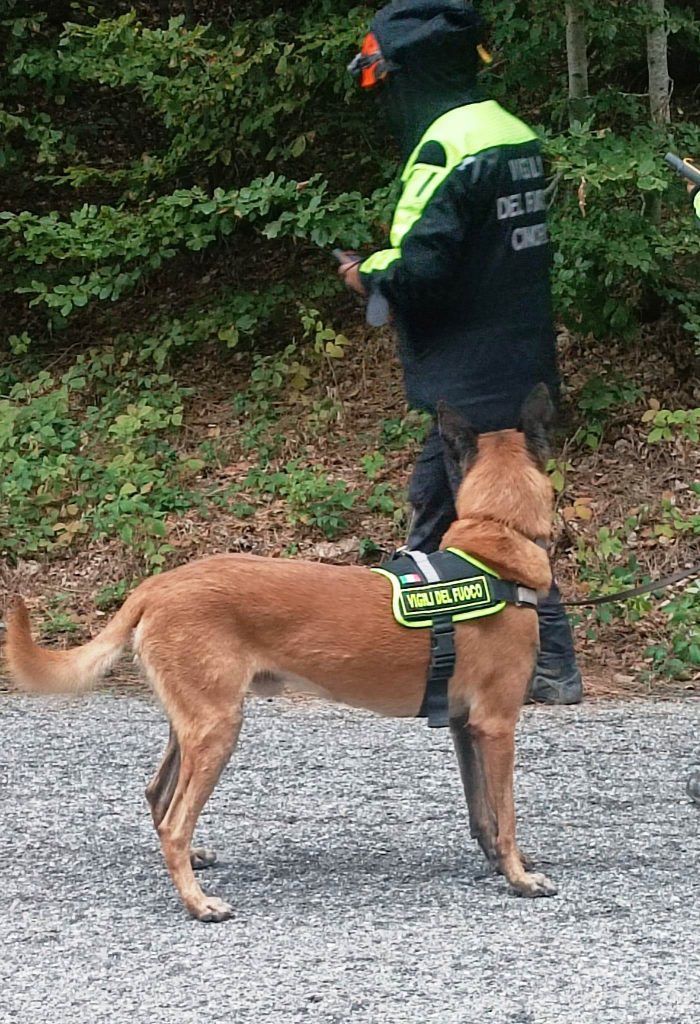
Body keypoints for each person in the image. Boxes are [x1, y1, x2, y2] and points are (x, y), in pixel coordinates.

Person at [337, 0, 582, 704]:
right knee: (433, 508)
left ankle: (550, 662)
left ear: (407, 74)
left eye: (378, 79)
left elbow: (420, 269)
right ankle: (435, 649)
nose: (379, 95)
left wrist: (366, 274)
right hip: (519, 363)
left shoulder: (447, 147)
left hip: (468, 379)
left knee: (496, 529)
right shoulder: (513, 133)